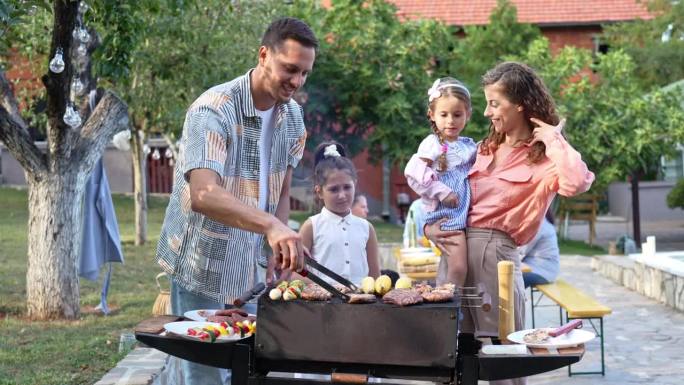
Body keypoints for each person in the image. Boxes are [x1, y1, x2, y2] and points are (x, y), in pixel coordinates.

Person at [154, 17, 317, 385]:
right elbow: (203, 194)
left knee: (249, 372)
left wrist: (279, 244)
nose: (296, 81)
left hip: (251, 269)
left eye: (305, 73)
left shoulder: (293, 117)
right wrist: (272, 227)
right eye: (289, 69)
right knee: (206, 377)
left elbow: (280, 192)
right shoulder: (213, 109)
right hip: (203, 266)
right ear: (264, 55)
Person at [425, 62, 594, 385]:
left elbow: (576, 183)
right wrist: (431, 227)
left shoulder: (544, 157)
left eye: (494, 103)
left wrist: (553, 139)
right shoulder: (483, 149)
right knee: (449, 350)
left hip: (497, 260)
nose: (487, 112)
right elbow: (447, 188)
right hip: (455, 253)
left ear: (520, 104)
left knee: (504, 352)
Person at [404, 77, 477, 287]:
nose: (450, 121)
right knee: (458, 267)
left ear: (468, 115)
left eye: (457, 115)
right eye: (443, 115)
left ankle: (444, 303)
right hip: (446, 214)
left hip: (462, 214)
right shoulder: (432, 144)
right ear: (432, 115)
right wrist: (440, 191)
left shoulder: (467, 146)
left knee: (448, 265)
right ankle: (452, 303)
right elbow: (413, 172)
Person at [298, 142, 381, 286]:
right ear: (319, 192)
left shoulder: (366, 228)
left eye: (347, 187)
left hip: (362, 305)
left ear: (355, 184)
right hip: (323, 305)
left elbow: (375, 277)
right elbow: (297, 274)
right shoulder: (312, 226)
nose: (342, 195)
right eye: (334, 189)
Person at [519, 210, 560, 288]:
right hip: (538, 268)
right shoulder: (540, 222)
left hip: (543, 271)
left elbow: (522, 250)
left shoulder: (540, 225)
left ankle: (512, 300)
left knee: (515, 279)